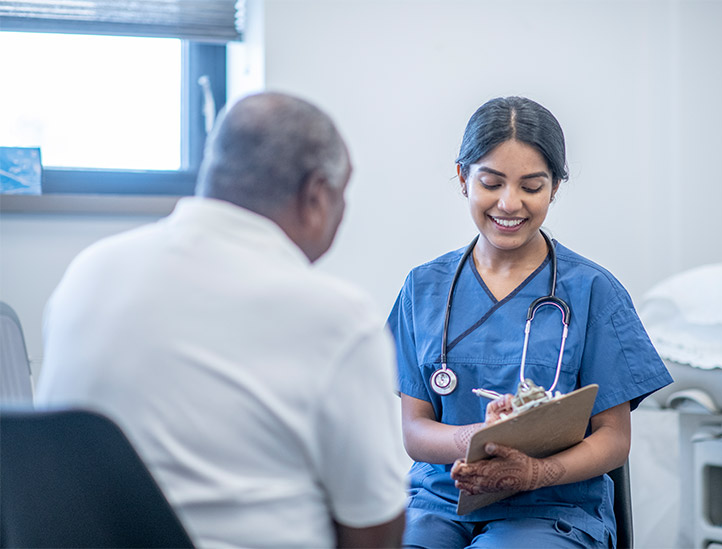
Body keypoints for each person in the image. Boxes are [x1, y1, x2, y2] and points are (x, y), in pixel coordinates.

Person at [36, 92, 408, 549]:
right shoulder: (334, 316)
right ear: (315, 195)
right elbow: (373, 529)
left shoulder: (90, 271)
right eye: (342, 196)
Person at [387, 96, 673, 548]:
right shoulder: (423, 288)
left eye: (532, 186)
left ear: (555, 187)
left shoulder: (593, 291)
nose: (509, 203)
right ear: (463, 178)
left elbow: (614, 440)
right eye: (491, 182)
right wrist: (476, 438)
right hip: (439, 501)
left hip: (552, 508)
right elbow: (415, 432)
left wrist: (535, 473)